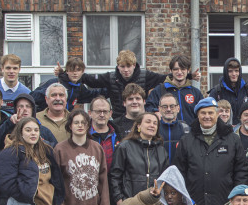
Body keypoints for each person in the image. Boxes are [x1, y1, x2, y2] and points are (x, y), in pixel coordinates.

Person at [174, 97, 248, 205]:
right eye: (203, 113)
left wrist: (238, 197)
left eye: (210, 112)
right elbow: (180, 172)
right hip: (195, 203)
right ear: (197, 115)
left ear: (217, 114)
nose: (207, 116)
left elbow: (241, 170)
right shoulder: (186, 141)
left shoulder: (232, 139)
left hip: (225, 203)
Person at [66, 50, 197, 119]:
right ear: (118, 66)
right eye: (122, 67)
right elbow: (89, 80)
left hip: (139, 118)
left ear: (134, 65)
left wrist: (189, 76)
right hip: (118, 119)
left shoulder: (145, 76)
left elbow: (166, 77)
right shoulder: (110, 77)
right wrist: (64, 74)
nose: (126, 70)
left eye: (129, 66)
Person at [145, 55, 203, 125]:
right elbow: (148, 107)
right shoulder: (159, 90)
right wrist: (155, 112)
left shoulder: (195, 93)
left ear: (188, 70)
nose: (179, 72)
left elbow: (202, 113)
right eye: (176, 69)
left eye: (183, 69)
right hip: (166, 133)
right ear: (170, 70)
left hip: (190, 133)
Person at [33, 58, 100, 112]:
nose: (74, 73)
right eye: (71, 70)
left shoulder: (79, 87)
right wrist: (50, 92)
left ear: (82, 72)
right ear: (67, 71)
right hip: (48, 119)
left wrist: (109, 85)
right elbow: (33, 96)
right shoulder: (55, 82)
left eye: (78, 70)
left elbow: (92, 95)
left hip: (66, 121)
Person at [208, 57, 248, 125]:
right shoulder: (217, 91)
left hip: (245, 129)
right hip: (223, 130)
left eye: (236, 71)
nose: (234, 74)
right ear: (226, 72)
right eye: (230, 71)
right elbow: (210, 113)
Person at [157, 93, 191, 164]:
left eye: (172, 106)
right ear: (159, 109)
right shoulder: (154, 130)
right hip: (159, 173)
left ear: (178, 108)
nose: (168, 109)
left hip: (180, 173)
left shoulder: (187, 130)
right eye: (165, 106)